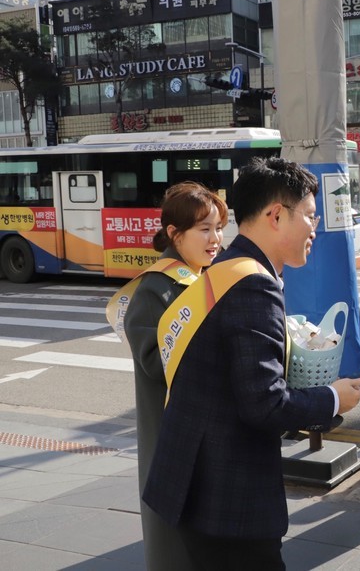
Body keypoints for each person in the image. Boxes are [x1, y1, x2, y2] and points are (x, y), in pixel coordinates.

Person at [142, 157, 360, 571]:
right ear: (276, 215)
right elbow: (263, 404)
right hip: (226, 497)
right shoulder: (253, 284)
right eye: (310, 217)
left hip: (200, 479)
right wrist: (332, 399)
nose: (314, 228)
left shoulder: (227, 267)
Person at [116, 182, 227, 570]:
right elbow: (158, 363)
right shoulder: (157, 289)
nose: (216, 239)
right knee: (177, 549)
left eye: (218, 228)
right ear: (175, 234)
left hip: (201, 438)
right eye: (205, 230)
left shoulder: (201, 278)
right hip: (173, 442)